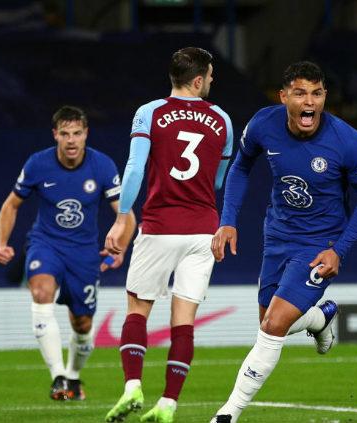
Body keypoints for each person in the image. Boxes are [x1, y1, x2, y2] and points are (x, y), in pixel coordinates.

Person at [208, 61, 357, 423]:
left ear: (324, 97)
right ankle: (319, 319)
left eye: (317, 94)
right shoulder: (262, 125)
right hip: (277, 235)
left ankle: (228, 412)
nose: (310, 102)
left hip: (320, 243)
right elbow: (240, 167)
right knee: (269, 323)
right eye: (300, 93)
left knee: (272, 326)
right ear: (283, 96)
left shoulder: (347, 142)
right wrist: (228, 221)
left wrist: (339, 249)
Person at [103, 47, 234, 423]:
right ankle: (169, 403)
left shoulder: (150, 112)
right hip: (203, 230)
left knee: (137, 310)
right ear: (197, 80)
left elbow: (134, 169)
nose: (212, 81)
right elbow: (219, 180)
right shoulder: (222, 119)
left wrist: (122, 218)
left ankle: (132, 388)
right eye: (209, 75)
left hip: (160, 226)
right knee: (184, 320)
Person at [0, 105, 136, 401]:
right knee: (41, 291)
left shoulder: (103, 166)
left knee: (82, 324)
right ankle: (57, 376)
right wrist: (1, 242)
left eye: (77, 133)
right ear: (55, 135)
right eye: (65, 134)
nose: (71, 140)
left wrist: (120, 247)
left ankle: (72, 376)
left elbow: (126, 215)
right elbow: (11, 205)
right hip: (45, 243)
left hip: (84, 253)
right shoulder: (37, 164)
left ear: (86, 134)